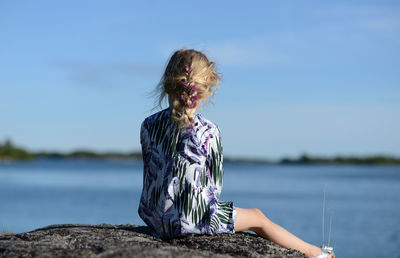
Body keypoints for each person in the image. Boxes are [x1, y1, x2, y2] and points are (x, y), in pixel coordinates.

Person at [138, 48, 334, 258]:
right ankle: (316, 253)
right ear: (207, 88)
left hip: (154, 217)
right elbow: (214, 189)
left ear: (168, 84)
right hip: (192, 221)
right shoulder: (208, 131)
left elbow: (152, 175)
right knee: (258, 218)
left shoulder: (148, 125)